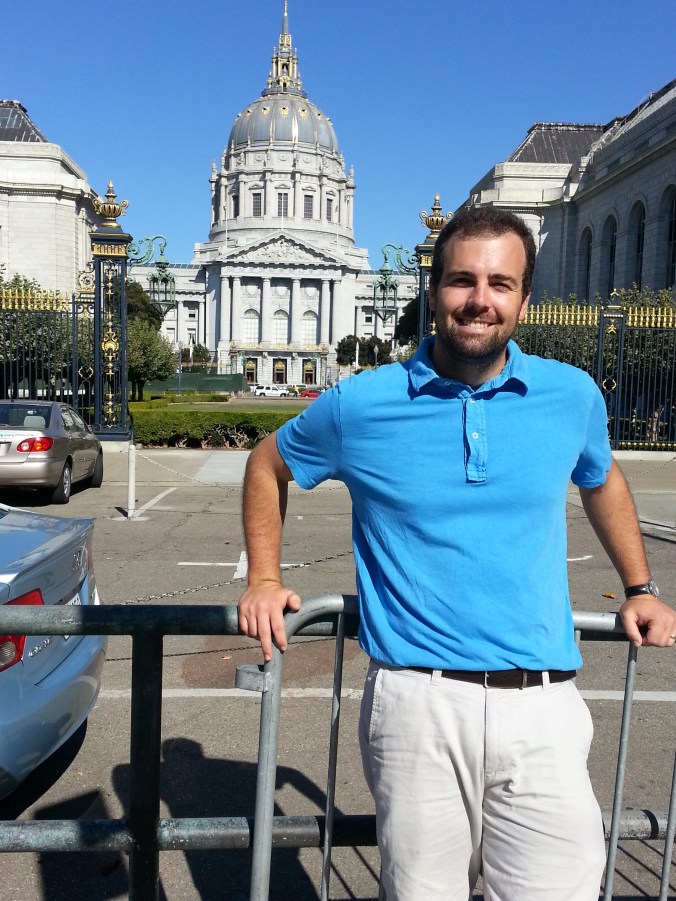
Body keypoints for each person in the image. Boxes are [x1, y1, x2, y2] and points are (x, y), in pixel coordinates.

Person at [238, 206, 676, 901]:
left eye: (501, 283)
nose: (480, 299)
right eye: (462, 280)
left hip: (543, 703)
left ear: (525, 299)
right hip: (417, 701)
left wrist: (640, 584)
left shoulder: (571, 395)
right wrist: (264, 575)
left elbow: (601, 477)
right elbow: (267, 465)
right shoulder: (363, 404)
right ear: (433, 288)